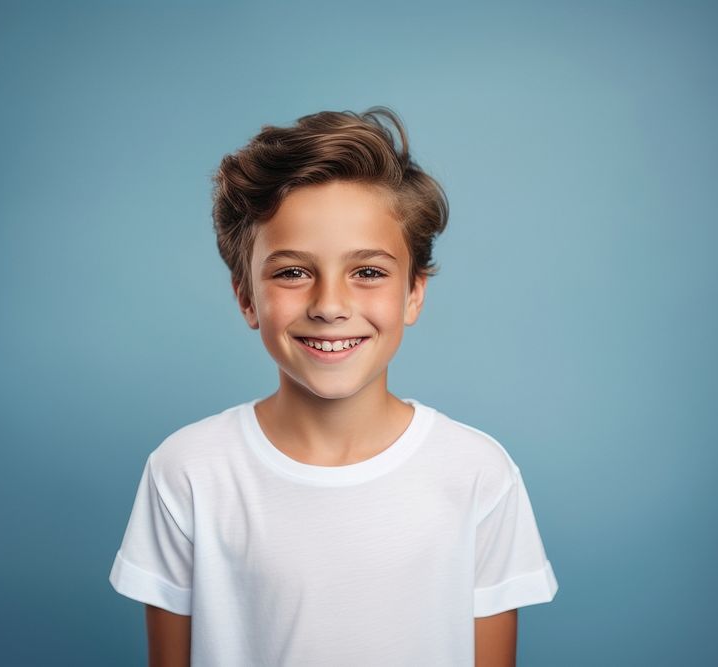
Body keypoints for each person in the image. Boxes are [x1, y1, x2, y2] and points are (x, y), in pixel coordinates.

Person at [109, 107, 558, 666]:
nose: (329, 306)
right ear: (247, 297)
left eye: (368, 272)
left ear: (414, 293)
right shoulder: (187, 471)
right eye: (292, 272)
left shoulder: (477, 474)